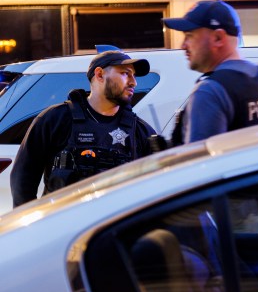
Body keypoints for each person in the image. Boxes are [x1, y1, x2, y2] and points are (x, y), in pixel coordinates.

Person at [10, 50, 155, 207]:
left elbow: (157, 188)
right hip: (64, 226)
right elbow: (23, 178)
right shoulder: (55, 119)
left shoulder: (140, 131)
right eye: (126, 73)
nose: (134, 82)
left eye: (133, 75)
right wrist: (33, 225)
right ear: (99, 75)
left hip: (114, 229)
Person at [162, 0, 258, 144]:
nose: (183, 45)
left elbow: (200, 164)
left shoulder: (210, 91)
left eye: (189, 35)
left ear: (218, 38)